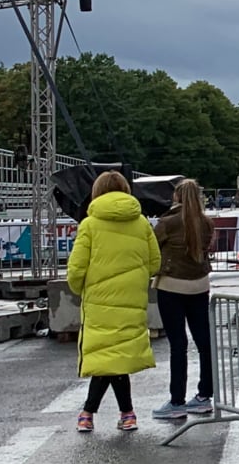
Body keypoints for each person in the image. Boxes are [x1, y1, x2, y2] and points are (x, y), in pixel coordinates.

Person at [68, 171, 160, 433]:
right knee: (117, 357)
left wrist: (81, 289)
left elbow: (76, 269)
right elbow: (155, 262)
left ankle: (89, 413)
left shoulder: (89, 224)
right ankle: (125, 413)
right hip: (131, 299)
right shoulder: (141, 223)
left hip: (98, 301)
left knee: (106, 357)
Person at [151, 179, 215, 420]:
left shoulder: (167, 223)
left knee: (178, 345)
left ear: (176, 197)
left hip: (171, 286)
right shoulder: (207, 223)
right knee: (204, 341)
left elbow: (152, 248)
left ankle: (176, 400)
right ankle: (204, 396)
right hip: (199, 286)